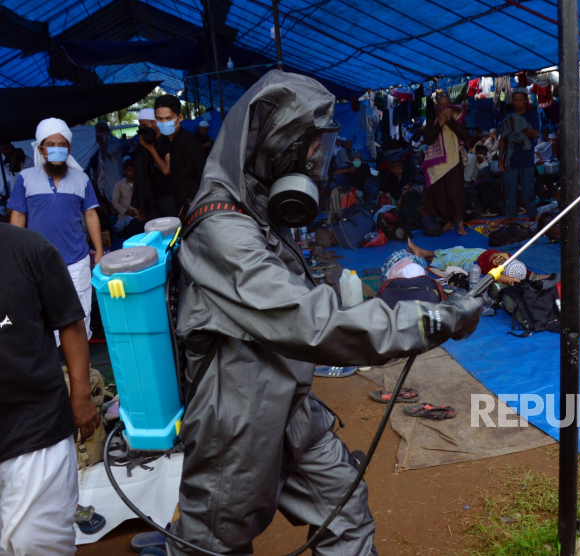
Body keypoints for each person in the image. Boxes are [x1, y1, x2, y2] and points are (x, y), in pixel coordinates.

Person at [172, 70, 484, 556]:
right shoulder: (221, 229)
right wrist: (425, 320)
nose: (320, 159)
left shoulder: (257, 209)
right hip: (237, 419)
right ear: (277, 146)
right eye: (311, 147)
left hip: (291, 404)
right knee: (214, 544)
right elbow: (308, 319)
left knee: (344, 512)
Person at [0, 223, 100, 556]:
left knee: (35, 546)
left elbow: (70, 321)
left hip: (35, 429)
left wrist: (82, 395)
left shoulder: (29, 248)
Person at [7, 118, 103, 343]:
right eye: (50, 144)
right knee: (45, 319)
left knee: (80, 318)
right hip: (38, 262)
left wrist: (98, 251)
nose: (56, 149)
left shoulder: (81, 179)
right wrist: (12, 254)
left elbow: (90, 214)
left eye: (61, 145)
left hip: (77, 260)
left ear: (69, 148)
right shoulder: (26, 178)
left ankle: (81, 371)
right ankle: (56, 372)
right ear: (40, 148)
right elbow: (18, 216)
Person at [420, 92, 469, 235]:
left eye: (447, 104)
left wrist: (450, 122)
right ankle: (447, 221)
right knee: (440, 194)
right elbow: (428, 139)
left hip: (454, 160)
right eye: (441, 105)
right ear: (436, 107)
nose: (445, 107)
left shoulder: (458, 117)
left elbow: (465, 136)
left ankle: (460, 224)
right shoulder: (432, 120)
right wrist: (440, 124)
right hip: (438, 163)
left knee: (456, 192)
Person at [153, 94, 206, 216]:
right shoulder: (165, 142)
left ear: (180, 117)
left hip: (193, 206)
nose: (164, 122)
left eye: (169, 118)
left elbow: (203, 176)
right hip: (179, 204)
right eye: (159, 119)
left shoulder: (189, 142)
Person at [396, 238, 528, 286]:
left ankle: (424, 253)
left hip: (473, 262)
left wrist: (510, 280)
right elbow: (532, 275)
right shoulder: (517, 264)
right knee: (456, 249)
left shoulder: (501, 273)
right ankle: (427, 253)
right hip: (480, 252)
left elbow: (496, 276)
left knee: (451, 258)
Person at [499, 87, 540, 221]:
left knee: (529, 189)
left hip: (526, 158)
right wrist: (500, 159)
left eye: (520, 100)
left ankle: (531, 215)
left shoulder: (532, 115)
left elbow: (535, 133)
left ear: (525, 100)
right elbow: (503, 138)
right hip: (510, 159)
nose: (517, 103)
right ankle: (510, 216)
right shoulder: (508, 115)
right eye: (515, 100)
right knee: (510, 190)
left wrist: (519, 126)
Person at [132, 108, 175, 219]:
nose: (142, 129)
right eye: (140, 126)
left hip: (168, 198)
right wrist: (141, 204)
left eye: (144, 125)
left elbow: (166, 170)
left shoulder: (167, 141)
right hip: (151, 201)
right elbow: (141, 175)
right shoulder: (146, 144)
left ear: (155, 123)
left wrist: (151, 149)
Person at [93, 121, 124, 202]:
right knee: (107, 194)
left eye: (98, 132)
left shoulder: (114, 141)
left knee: (117, 194)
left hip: (115, 173)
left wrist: (101, 143)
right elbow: (101, 161)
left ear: (104, 131)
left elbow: (108, 154)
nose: (97, 134)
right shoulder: (102, 143)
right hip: (105, 174)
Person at [112, 158, 139, 223]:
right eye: (129, 170)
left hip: (139, 216)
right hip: (124, 217)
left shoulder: (140, 183)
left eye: (133, 170)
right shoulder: (118, 185)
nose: (131, 172)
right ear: (124, 171)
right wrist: (126, 211)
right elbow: (115, 202)